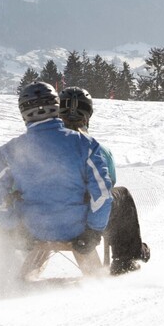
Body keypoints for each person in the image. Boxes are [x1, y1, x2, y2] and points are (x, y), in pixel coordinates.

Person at [0, 81, 114, 282]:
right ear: (56, 106)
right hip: (76, 228)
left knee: (7, 204)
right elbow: (103, 193)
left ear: (24, 112)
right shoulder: (84, 145)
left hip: (32, 229)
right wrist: (94, 231)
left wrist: (13, 226)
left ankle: (3, 271)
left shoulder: (12, 151)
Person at [58, 86, 151, 275]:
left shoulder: (42, 147)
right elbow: (108, 184)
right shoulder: (98, 149)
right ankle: (126, 259)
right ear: (88, 115)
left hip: (46, 217)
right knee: (121, 195)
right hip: (86, 222)